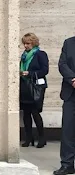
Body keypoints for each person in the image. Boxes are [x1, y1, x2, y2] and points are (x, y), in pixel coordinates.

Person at [19, 33, 48, 148]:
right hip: (25, 86)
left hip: (36, 87)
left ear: (33, 43)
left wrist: (30, 73)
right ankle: (28, 138)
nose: (25, 46)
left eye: (28, 43)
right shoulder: (24, 56)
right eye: (24, 43)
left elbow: (45, 70)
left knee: (35, 113)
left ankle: (42, 138)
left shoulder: (40, 54)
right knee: (26, 114)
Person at [54, 36, 75, 175]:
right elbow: (62, 64)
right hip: (70, 94)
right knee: (67, 131)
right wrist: (73, 79)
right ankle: (67, 164)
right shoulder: (68, 43)